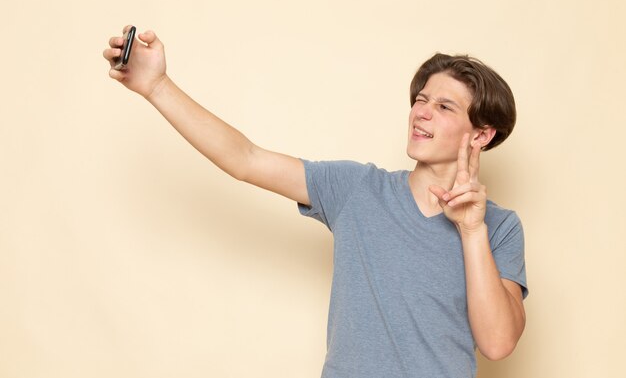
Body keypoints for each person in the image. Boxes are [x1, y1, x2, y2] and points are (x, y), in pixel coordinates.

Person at [103, 25, 528, 378]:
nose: (422, 113)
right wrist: (156, 86)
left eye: (443, 106)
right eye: (420, 101)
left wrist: (472, 230)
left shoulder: (500, 226)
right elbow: (245, 159)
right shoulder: (357, 189)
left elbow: (497, 344)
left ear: (481, 134)